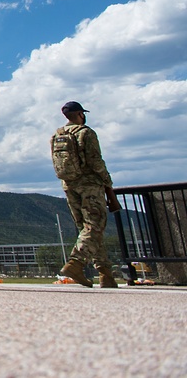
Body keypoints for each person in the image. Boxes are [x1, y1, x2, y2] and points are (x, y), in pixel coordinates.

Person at [53, 101, 119, 288]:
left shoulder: (57, 135)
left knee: (88, 228)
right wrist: (107, 181)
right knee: (95, 225)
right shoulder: (86, 133)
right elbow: (95, 160)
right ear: (80, 114)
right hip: (89, 184)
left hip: (69, 184)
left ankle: (105, 273)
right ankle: (76, 263)